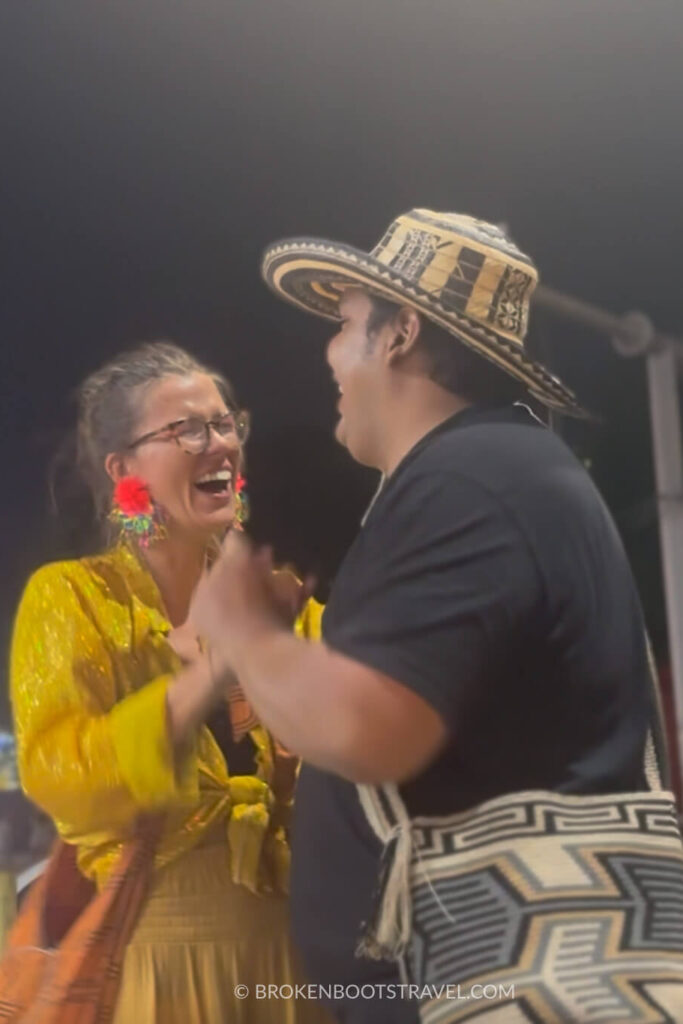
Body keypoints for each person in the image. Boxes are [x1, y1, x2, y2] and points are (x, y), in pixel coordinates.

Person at [190, 211, 682, 1023]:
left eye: (345, 324)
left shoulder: (472, 478)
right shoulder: (494, 469)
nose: (329, 353)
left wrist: (245, 630)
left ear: (400, 334)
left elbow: (368, 729)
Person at [10, 341, 330, 1023]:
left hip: (292, 969)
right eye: (185, 429)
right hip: (156, 973)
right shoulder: (72, 598)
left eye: (224, 424)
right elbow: (60, 776)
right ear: (124, 469)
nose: (217, 444)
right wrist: (215, 669)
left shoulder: (282, 606)